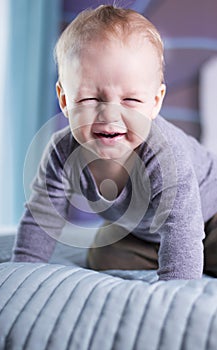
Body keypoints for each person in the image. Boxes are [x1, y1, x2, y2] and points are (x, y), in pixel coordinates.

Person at [11, 5, 217, 281]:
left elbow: (181, 226)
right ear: (64, 100)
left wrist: (176, 286)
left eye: (130, 100)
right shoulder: (62, 152)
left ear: (155, 103)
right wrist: (21, 270)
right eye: (89, 100)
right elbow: (42, 214)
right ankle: (179, 254)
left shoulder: (164, 154)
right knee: (102, 256)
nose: (109, 115)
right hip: (145, 233)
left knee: (192, 246)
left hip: (208, 217)